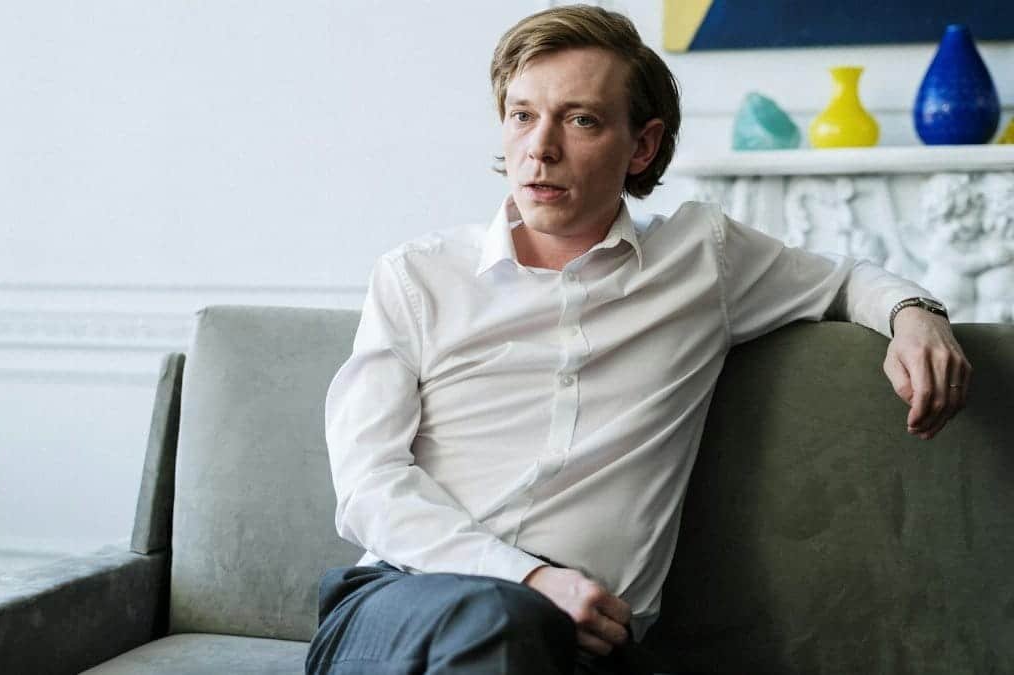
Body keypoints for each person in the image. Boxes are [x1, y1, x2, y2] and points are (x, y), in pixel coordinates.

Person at [306, 5, 971, 675]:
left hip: (589, 644)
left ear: (643, 146)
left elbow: (847, 279)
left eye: (580, 119)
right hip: (399, 602)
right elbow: (369, 483)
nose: (540, 147)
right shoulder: (418, 277)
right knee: (503, 621)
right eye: (522, 115)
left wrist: (915, 314)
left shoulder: (701, 259)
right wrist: (529, 579)